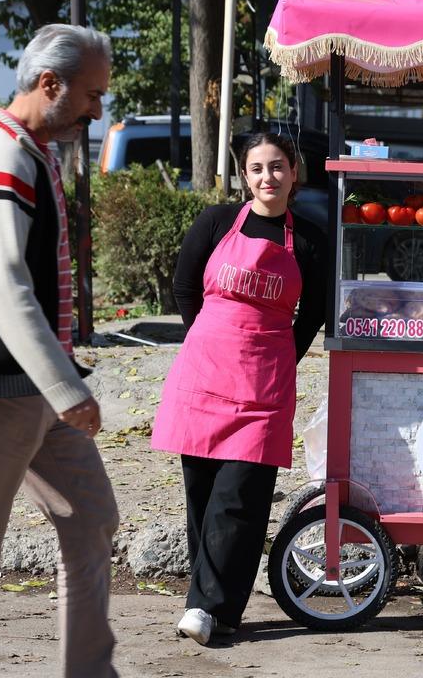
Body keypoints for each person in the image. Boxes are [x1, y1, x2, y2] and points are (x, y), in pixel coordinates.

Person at [0, 24, 119, 677]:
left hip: (33, 389)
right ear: (48, 83)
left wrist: (57, 388)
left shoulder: (32, 150)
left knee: (92, 519)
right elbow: (4, 284)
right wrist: (67, 388)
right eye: (91, 94)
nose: (97, 110)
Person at [151, 132, 327, 645]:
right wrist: (209, 337)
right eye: (256, 168)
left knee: (241, 496)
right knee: (202, 495)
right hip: (203, 373)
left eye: (277, 167)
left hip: (264, 380)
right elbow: (185, 287)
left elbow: (312, 313)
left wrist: (278, 355)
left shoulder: (311, 239)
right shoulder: (214, 223)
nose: (267, 177)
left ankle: (205, 607)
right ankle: (219, 608)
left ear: (294, 172)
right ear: (244, 175)